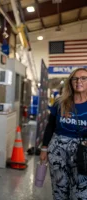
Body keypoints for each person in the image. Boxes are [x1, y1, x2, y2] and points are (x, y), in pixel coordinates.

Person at [40, 68, 87, 199]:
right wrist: (44, 148)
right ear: (70, 82)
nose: (79, 81)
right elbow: (50, 126)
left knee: (81, 192)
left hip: (82, 151)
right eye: (75, 78)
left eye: (83, 78)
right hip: (58, 149)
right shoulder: (60, 102)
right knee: (59, 189)